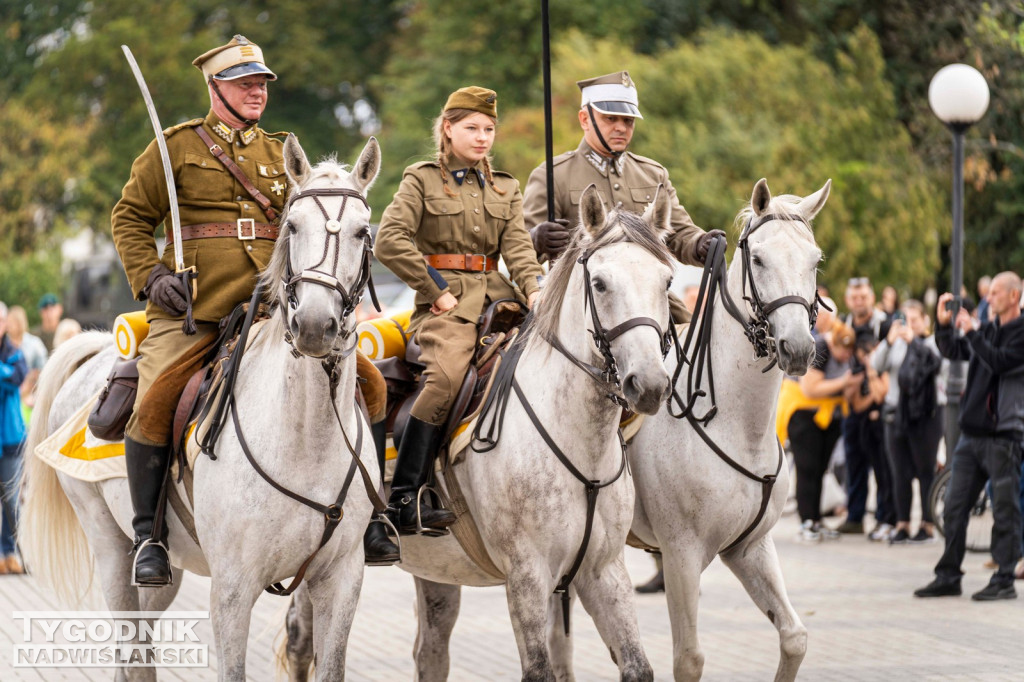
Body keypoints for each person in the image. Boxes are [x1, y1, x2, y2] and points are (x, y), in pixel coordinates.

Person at [111, 35, 290, 586]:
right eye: (244, 83)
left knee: (359, 383)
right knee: (153, 403)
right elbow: (129, 218)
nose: (256, 91)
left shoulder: (281, 150)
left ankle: (370, 513)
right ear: (215, 88)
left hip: (268, 308)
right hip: (196, 309)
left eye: (261, 82)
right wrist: (152, 275)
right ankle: (148, 537)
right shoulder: (176, 147)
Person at [375, 86, 543, 537]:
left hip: (502, 301)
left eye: (489, 128)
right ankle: (405, 495)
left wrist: (537, 289)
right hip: (445, 310)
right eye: (472, 127)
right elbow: (388, 240)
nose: (483, 136)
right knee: (446, 378)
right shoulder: (421, 178)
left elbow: (520, 251)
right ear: (448, 129)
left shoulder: (506, 186)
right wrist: (436, 290)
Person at [522, 71, 723, 323]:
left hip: (646, 300)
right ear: (584, 119)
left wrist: (700, 243)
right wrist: (535, 239)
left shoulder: (653, 174)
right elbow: (519, 248)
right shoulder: (552, 175)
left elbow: (679, 233)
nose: (621, 127)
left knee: (698, 348)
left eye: (628, 120)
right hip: (577, 309)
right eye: (610, 118)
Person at [915, 272, 1024, 601]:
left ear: (1014, 296)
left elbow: (999, 361)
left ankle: (1004, 579)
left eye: (996, 292)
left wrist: (974, 331)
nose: (989, 298)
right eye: (989, 292)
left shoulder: (1019, 333)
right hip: (970, 437)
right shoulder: (987, 329)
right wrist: (945, 325)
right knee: (953, 507)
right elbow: (952, 349)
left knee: (1005, 511)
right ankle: (948, 575)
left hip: (1003, 436)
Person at [873, 300, 945, 544]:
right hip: (896, 414)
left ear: (925, 321)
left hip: (925, 416)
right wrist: (889, 341)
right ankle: (902, 523)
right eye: (906, 320)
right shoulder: (896, 344)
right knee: (899, 472)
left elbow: (936, 366)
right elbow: (876, 365)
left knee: (926, 471)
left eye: (915, 320)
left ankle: (927, 525)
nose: (910, 325)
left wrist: (913, 339)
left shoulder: (932, 343)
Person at [786, 319, 856, 541]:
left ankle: (816, 519)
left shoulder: (845, 351)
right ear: (833, 344)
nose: (845, 357)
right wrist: (844, 382)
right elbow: (810, 388)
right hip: (806, 416)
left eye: (848, 353)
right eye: (841, 351)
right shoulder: (820, 347)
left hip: (829, 418)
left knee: (820, 470)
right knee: (807, 469)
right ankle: (806, 521)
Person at [836, 277, 891, 535]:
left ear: (872, 297)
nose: (859, 301)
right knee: (854, 464)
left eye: (864, 296)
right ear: (848, 300)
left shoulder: (884, 324)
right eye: (855, 297)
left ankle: (885, 516)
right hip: (851, 406)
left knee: (882, 466)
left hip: (878, 404)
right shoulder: (843, 326)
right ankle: (855, 517)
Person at [0, 302, 28, 574]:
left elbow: (17, 378)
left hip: (10, 438)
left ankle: (11, 553)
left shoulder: (15, 354)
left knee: (11, 499)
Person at [4, 306, 47, 411]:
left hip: (31, 395)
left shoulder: (34, 343)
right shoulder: (3, 344)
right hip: (8, 394)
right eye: (7, 321)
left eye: (11, 322)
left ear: (20, 323)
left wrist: (29, 386)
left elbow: (43, 369)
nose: (8, 325)